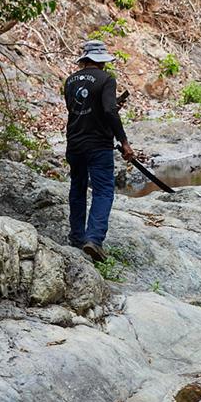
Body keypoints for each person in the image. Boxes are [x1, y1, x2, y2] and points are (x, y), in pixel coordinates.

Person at [64, 40, 135, 261]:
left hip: (74, 144)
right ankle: (93, 240)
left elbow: (77, 110)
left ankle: (77, 237)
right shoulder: (106, 79)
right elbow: (108, 111)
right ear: (101, 60)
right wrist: (124, 142)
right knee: (103, 191)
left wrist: (110, 107)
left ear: (85, 59)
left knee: (77, 189)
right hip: (98, 146)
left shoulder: (70, 81)